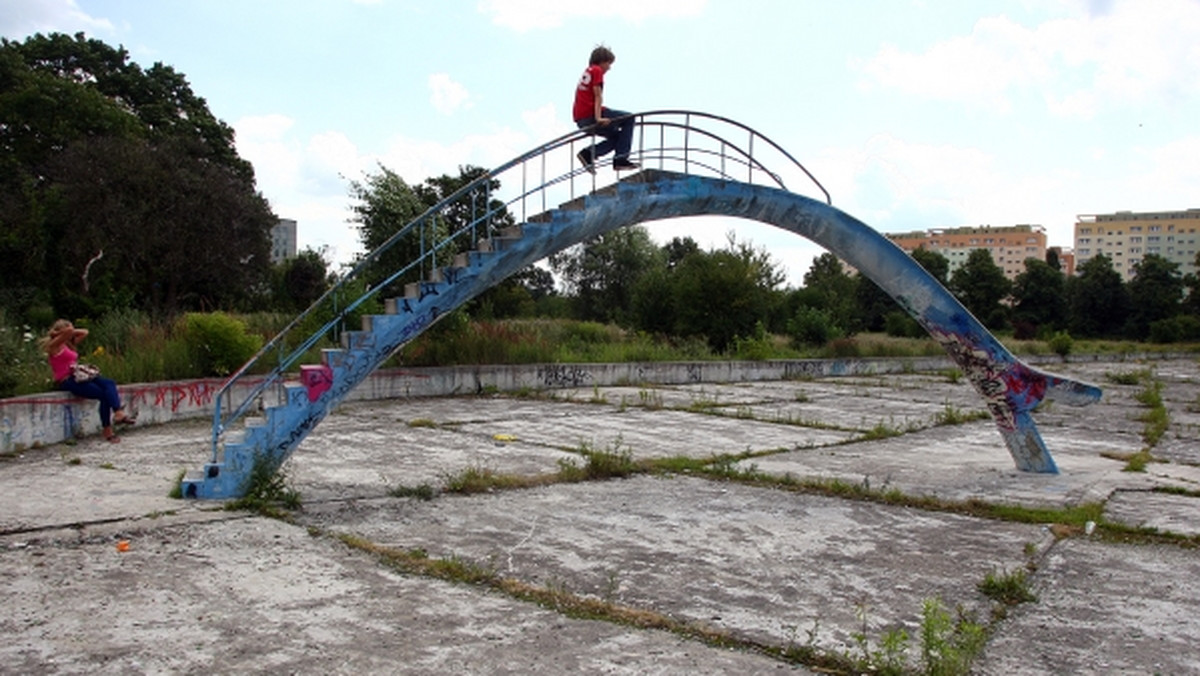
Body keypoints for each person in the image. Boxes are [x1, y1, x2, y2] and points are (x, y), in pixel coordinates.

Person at [41, 319, 135, 443]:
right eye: (69, 330)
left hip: (80, 375)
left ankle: (118, 412)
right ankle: (108, 430)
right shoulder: (54, 346)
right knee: (103, 395)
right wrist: (62, 333)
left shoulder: (68, 344)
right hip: (68, 380)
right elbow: (69, 331)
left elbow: (85, 332)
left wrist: (69, 333)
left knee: (109, 383)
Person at [573, 45, 638, 173]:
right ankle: (621, 159)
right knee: (629, 118)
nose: (609, 68)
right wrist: (598, 118)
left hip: (581, 118)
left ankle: (589, 153)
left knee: (619, 138)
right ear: (602, 61)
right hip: (590, 114)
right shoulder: (597, 70)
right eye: (608, 63)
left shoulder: (588, 71)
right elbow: (598, 95)